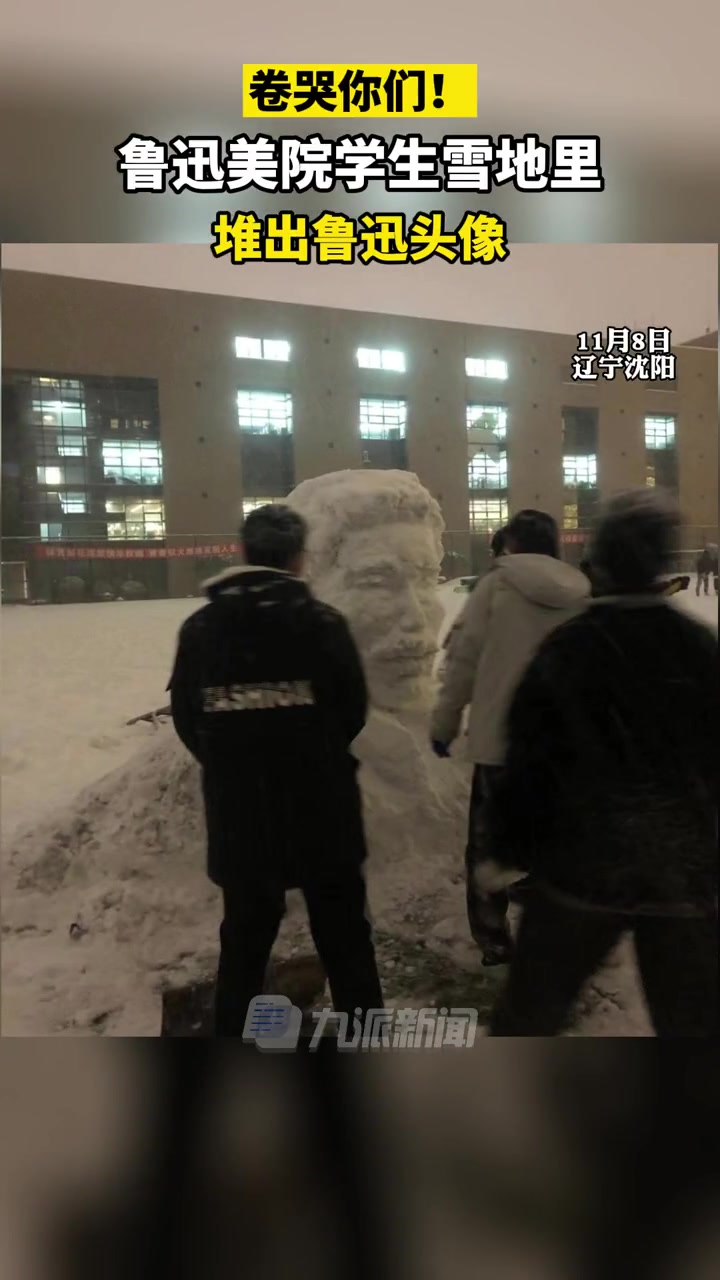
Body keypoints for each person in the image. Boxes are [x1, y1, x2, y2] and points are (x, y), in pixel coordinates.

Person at [482, 490, 718, 1036]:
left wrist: (508, 845)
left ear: (601, 565)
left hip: (582, 871)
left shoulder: (571, 650)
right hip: (680, 874)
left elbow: (529, 760)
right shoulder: (697, 649)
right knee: (695, 1026)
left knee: (530, 1015)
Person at [168, 503, 383, 1037]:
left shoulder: (201, 629)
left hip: (242, 812)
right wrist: (312, 753)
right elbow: (351, 710)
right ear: (298, 558)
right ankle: (368, 1039)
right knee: (345, 937)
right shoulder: (322, 624)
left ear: (244, 552)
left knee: (244, 939)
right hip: (321, 808)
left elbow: (189, 719)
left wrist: (234, 761)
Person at [430, 510, 590, 964]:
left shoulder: (495, 586)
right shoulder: (582, 591)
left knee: (487, 845)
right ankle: (557, 934)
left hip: (502, 744)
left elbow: (463, 661)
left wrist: (443, 725)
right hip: (562, 749)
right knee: (553, 843)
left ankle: (494, 938)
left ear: (512, 544)